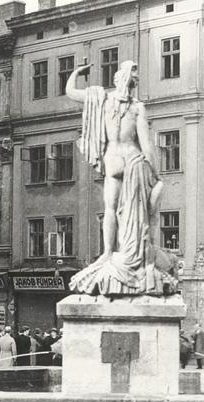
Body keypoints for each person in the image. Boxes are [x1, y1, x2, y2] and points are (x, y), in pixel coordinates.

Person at [66, 60, 177, 296]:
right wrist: (156, 175)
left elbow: (70, 92)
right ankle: (133, 255)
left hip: (113, 159)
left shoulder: (102, 99)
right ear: (132, 82)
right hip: (133, 160)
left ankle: (107, 252)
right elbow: (146, 144)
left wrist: (77, 72)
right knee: (138, 213)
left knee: (110, 208)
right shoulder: (137, 107)